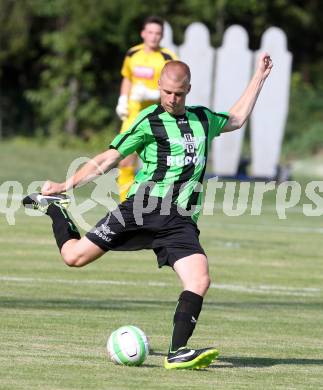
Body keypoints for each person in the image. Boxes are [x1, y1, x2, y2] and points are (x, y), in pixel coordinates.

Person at [23, 54, 273, 370]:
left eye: (179, 93)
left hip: (180, 220)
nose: (171, 98)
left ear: (188, 90)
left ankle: (178, 351)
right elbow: (108, 158)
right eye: (167, 92)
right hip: (142, 209)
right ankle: (55, 211)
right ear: (159, 86)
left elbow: (236, 119)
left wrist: (259, 77)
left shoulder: (203, 119)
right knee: (73, 257)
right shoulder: (148, 121)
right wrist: (65, 184)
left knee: (199, 279)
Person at [115, 16, 177, 202]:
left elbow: (175, 89)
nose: (153, 36)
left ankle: (160, 205)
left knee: (160, 164)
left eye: (158, 33)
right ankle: (126, 205)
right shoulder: (132, 53)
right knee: (125, 160)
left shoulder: (168, 58)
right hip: (133, 116)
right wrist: (122, 99)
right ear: (143, 33)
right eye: (150, 32)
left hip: (158, 116)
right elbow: (127, 77)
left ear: (162, 36)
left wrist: (151, 94)